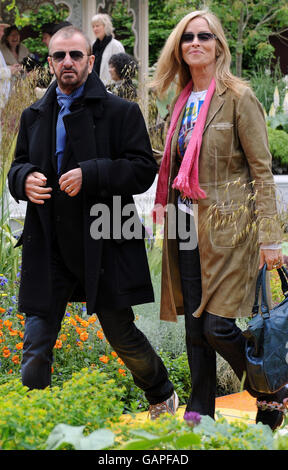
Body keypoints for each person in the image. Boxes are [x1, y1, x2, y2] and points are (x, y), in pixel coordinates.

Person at [8, 26, 178, 420]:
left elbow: (141, 170)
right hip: (48, 240)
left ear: (90, 60)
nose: (68, 62)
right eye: (60, 56)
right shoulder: (33, 115)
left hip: (104, 238)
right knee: (36, 339)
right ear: (50, 63)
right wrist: (24, 180)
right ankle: (36, 420)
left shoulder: (122, 112)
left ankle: (161, 393)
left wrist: (93, 173)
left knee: (121, 334)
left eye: (76, 55)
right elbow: (17, 166)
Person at [151, 9, 288, 430]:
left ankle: (272, 390)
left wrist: (271, 237)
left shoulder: (239, 96)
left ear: (219, 45)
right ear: (180, 46)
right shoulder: (180, 100)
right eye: (188, 36)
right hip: (186, 229)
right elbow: (177, 164)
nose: (196, 42)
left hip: (231, 231)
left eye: (204, 36)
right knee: (195, 328)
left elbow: (262, 172)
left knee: (217, 326)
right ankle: (199, 415)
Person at [91, 13, 124, 85]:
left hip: (111, 87)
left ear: (105, 26)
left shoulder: (116, 45)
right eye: (93, 26)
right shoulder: (93, 45)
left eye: (97, 26)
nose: (95, 29)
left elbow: (122, 69)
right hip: (94, 86)